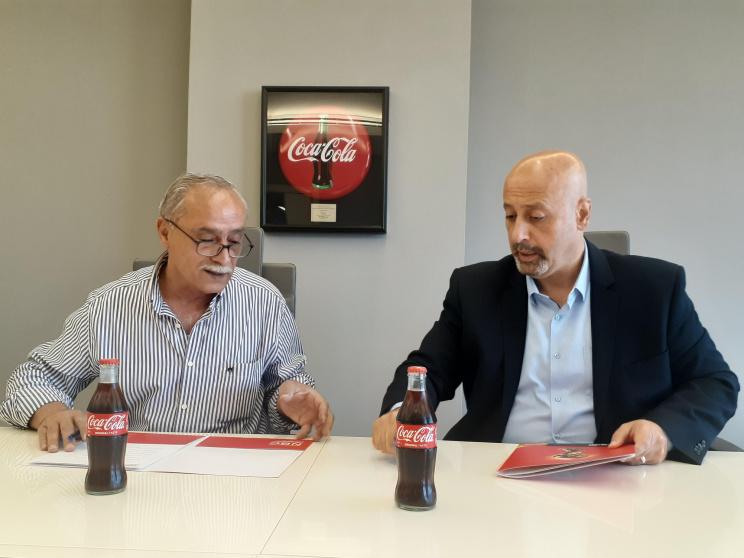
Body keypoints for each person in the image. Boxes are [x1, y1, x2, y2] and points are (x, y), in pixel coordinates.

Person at [373, 151, 738, 465]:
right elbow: (427, 369)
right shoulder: (475, 289)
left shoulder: (653, 289)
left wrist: (662, 430)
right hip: (495, 473)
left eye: (536, 217)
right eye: (510, 216)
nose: (518, 235)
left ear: (582, 215)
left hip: (615, 476)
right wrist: (400, 411)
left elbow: (715, 383)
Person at [1, 173, 333, 452]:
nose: (224, 258)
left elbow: (287, 389)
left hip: (232, 478)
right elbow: (33, 378)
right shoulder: (110, 305)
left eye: (234, 243)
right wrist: (52, 413)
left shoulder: (264, 303)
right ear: (164, 232)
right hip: (134, 470)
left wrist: (289, 401)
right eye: (207, 240)